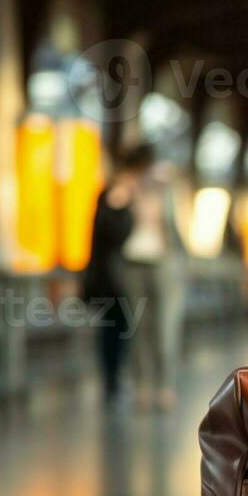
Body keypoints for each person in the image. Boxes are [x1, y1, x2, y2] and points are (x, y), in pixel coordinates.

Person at [122, 154, 187, 411]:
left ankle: (165, 386)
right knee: (138, 327)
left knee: (165, 328)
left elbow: (176, 232)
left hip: (165, 264)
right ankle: (141, 385)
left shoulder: (168, 195)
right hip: (133, 263)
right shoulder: (128, 194)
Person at [84, 146, 144, 402]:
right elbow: (114, 235)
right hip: (110, 279)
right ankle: (111, 382)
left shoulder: (125, 198)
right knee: (113, 330)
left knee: (121, 329)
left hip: (121, 277)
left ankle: (116, 380)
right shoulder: (109, 198)